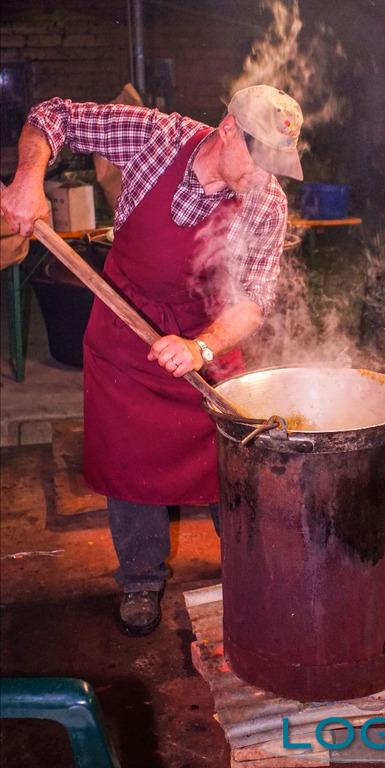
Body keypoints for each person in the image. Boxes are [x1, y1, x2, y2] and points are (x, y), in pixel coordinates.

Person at [1, 85, 304, 636]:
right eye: (260, 159)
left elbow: (254, 301)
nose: (266, 177)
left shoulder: (266, 200)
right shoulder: (154, 138)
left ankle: (248, 567)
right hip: (126, 332)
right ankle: (140, 579)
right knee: (129, 462)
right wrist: (27, 180)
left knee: (233, 458)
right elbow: (54, 116)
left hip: (210, 337)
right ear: (230, 128)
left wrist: (202, 348)